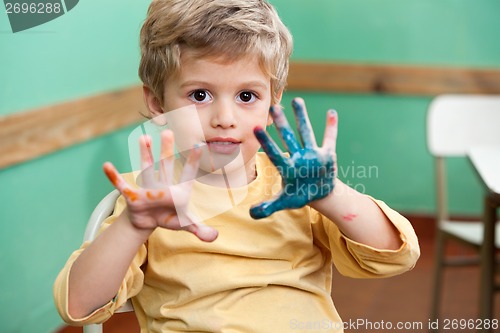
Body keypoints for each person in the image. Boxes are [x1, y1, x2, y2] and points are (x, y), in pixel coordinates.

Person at [54, 0, 420, 332]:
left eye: (247, 96)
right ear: (159, 104)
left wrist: (331, 195)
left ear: (273, 101)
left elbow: (395, 256)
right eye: (200, 95)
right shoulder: (150, 194)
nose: (224, 118)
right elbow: (78, 306)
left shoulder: (296, 186)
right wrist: (135, 225)